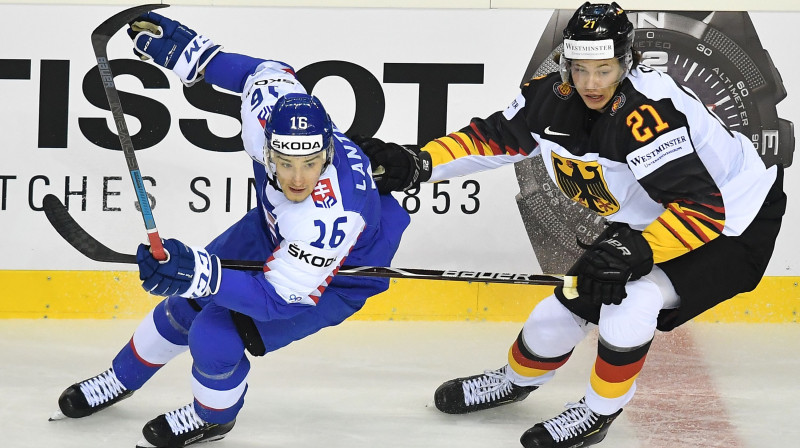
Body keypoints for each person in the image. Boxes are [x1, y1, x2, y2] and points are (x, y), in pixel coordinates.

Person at [353, 2, 786, 447]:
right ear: (565, 63)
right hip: (655, 215)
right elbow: (493, 139)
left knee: (631, 301)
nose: (591, 84)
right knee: (556, 314)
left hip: (735, 225)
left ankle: (598, 413)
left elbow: (702, 211)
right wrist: (422, 162)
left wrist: (634, 250)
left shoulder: (648, 117)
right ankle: (515, 379)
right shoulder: (550, 97)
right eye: (580, 69)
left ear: (627, 60)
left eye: (604, 69)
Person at [51, 11, 410, 448]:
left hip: (339, 275)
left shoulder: (330, 218)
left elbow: (278, 299)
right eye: (286, 163)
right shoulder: (268, 114)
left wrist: (204, 272)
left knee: (214, 332)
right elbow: (263, 72)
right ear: (268, 146)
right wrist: (199, 56)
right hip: (272, 228)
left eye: (311, 165)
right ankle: (120, 378)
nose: (298, 179)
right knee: (187, 302)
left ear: (328, 150)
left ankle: (212, 417)